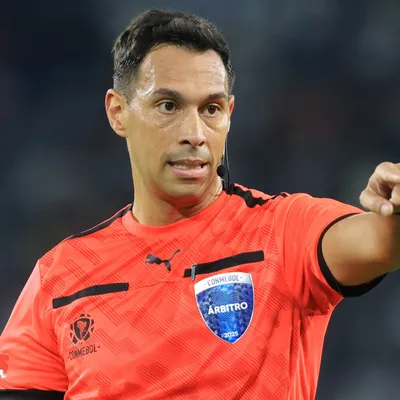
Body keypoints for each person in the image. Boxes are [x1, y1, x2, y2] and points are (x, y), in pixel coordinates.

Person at [0, 8, 399, 400]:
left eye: (210, 109)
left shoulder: (283, 232)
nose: (194, 133)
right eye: (168, 106)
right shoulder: (60, 278)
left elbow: (381, 242)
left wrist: (395, 208)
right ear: (118, 113)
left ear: (229, 114)